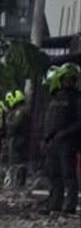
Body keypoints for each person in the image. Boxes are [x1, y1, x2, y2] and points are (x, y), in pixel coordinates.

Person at [41, 63, 81, 215]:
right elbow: (48, 121)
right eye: (67, 79)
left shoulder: (76, 99)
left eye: (72, 79)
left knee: (68, 174)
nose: (69, 81)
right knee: (54, 174)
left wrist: (65, 133)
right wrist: (45, 139)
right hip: (53, 142)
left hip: (68, 142)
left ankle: (69, 206)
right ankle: (54, 204)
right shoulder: (54, 98)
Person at [3, 89, 30, 188]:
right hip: (23, 138)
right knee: (21, 162)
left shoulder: (19, 111)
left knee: (15, 162)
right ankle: (20, 182)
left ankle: (17, 183)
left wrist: (6, 120)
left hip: (17, 139)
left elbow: (14, 125)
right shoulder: (25, 109)